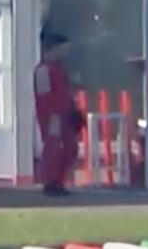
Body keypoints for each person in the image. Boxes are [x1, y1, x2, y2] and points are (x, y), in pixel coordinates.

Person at [34, 31, 84, 196]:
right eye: (63, 49)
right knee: (53, 149)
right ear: (54, 49)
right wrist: (52, 116)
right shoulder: (43, 70)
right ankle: (51, 182)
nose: (65, 53)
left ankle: (58, 180)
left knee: (70, 148)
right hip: (53, 117)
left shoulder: (58, 69)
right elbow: (44, 96)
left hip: (64, 115)